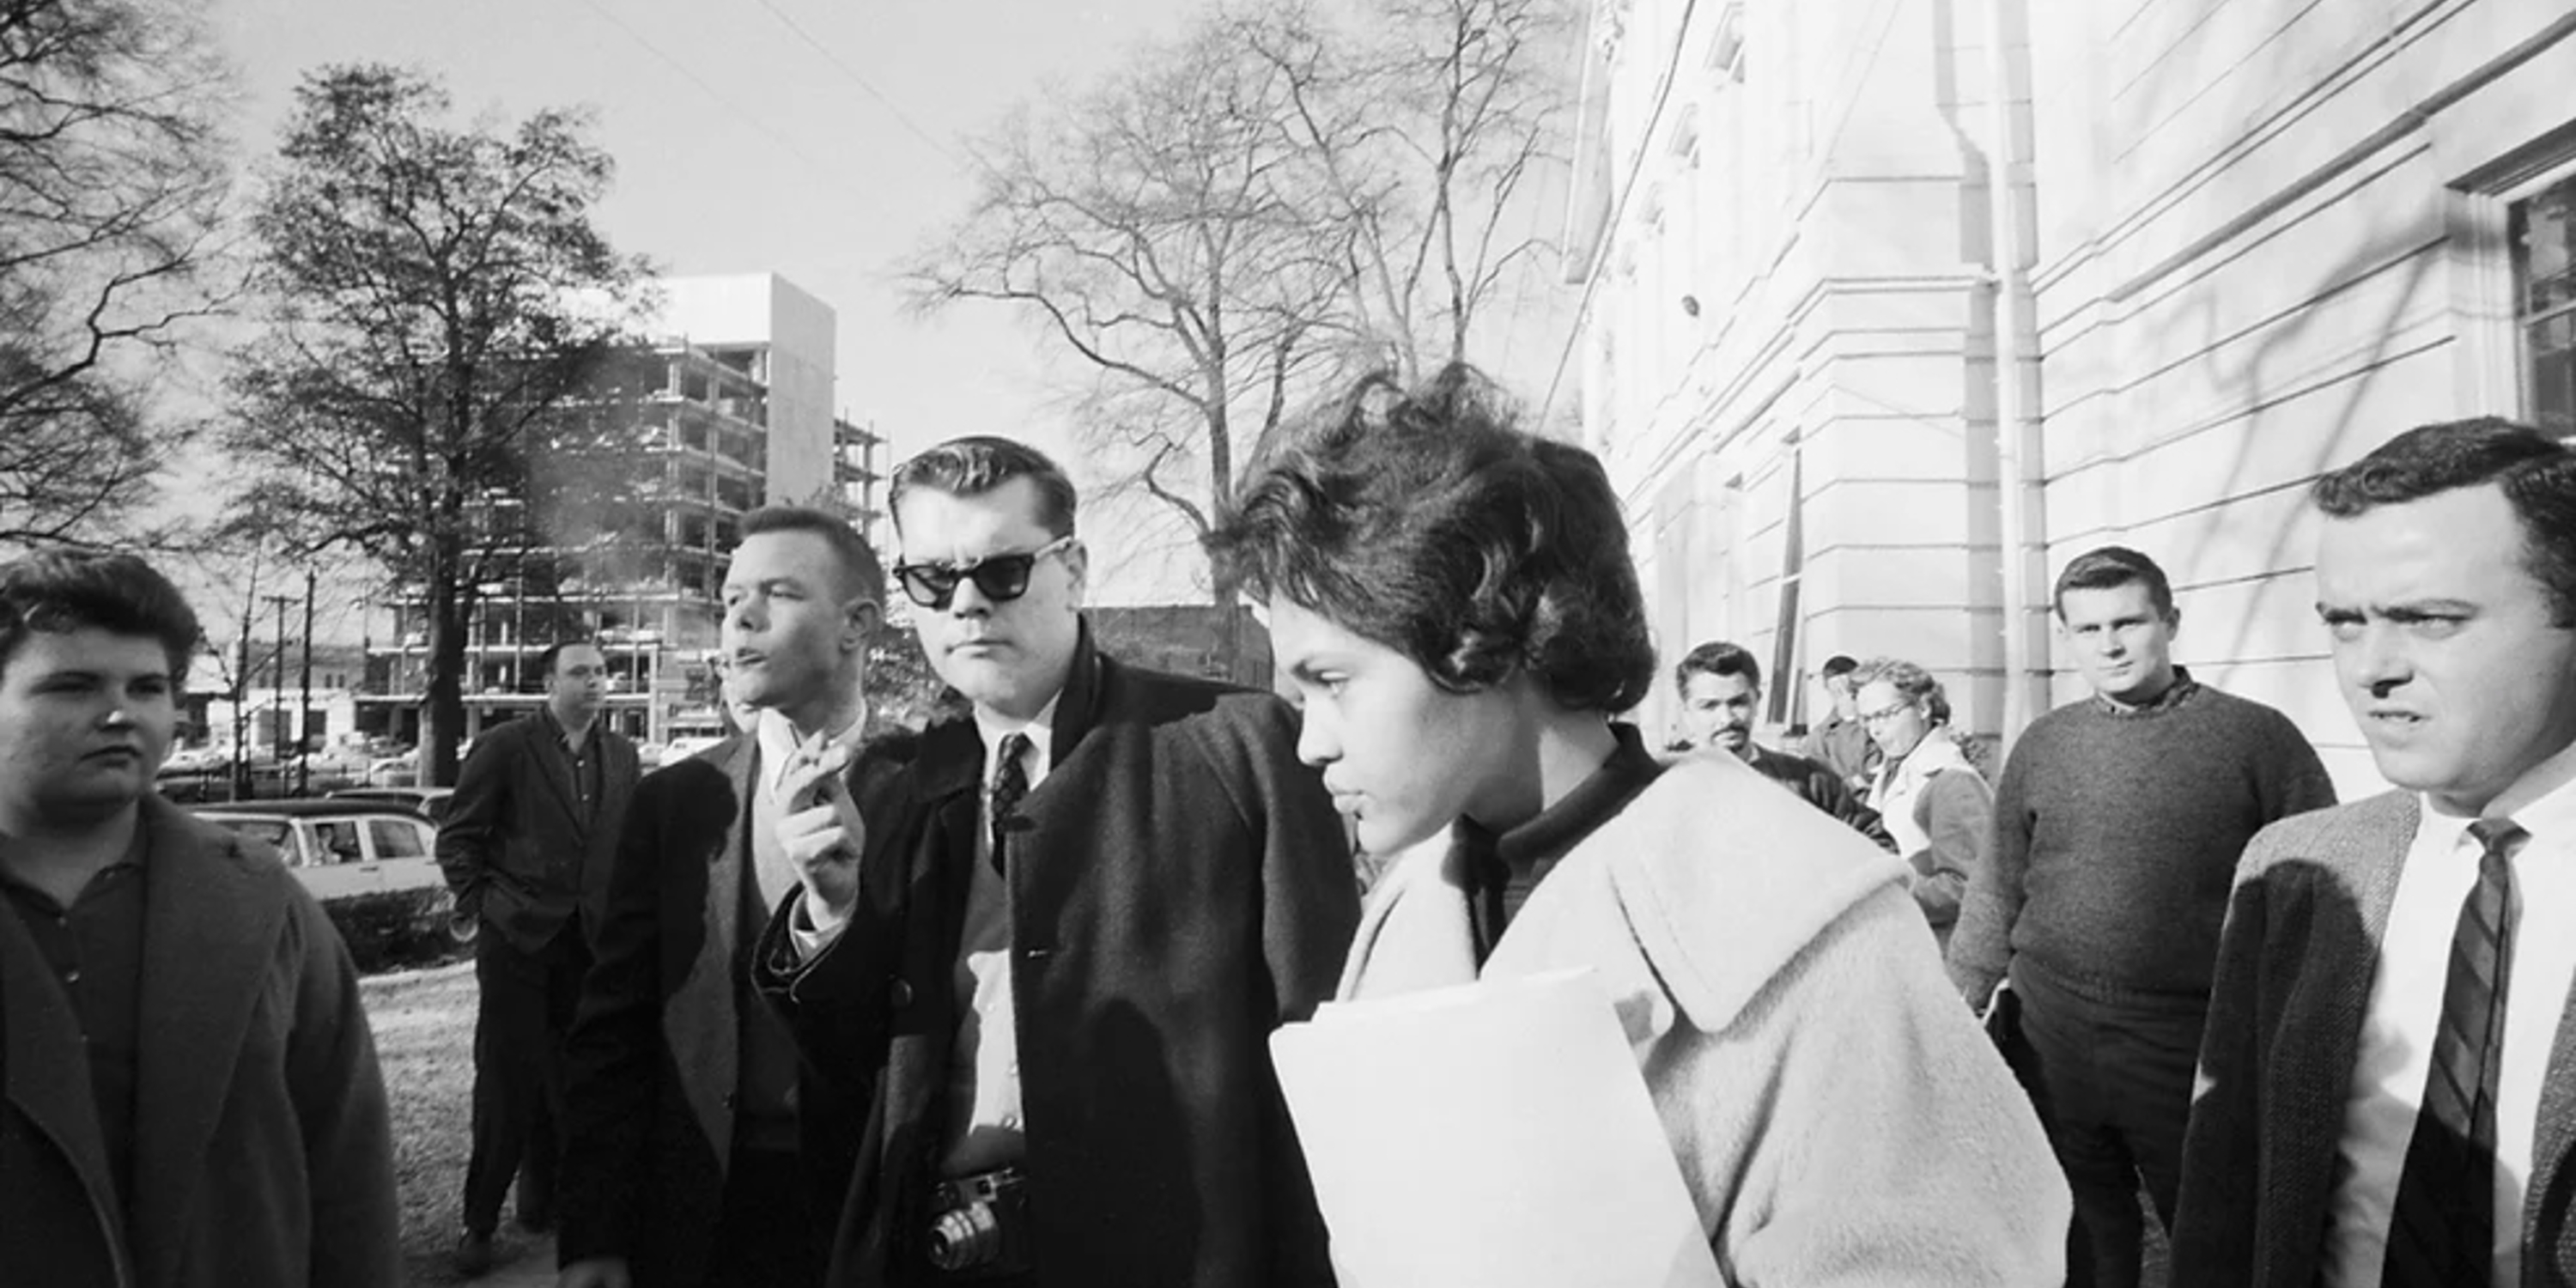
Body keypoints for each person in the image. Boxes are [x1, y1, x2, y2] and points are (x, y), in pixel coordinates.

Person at [1208, 364, 2066, 1283]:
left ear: (1478, 635)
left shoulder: (1810, 926)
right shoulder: (1410, 909)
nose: (1307, 744)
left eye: (1330, 682)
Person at [751, 437, 1358, 1286]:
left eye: (999, 571)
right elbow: (853, 1077)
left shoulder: (1239, 749)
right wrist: (831, 912)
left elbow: (1324, 1052)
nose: (965, 604)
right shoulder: (887, 786)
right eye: (930, 579)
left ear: (1072, 570)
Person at [2172, 418, 2576, 1285]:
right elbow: (2224, 1193)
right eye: (2345, 623)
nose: (2370, 669)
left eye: (2428, 620)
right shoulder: (2301, 874)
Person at [0, 550, 400, 1287]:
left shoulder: (260, 905)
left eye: (147, 687)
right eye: (73, 686)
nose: (120, 713)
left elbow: (348, 1168)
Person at [1947, 546, 2334, 1288]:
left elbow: (2320, 887)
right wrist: (1959, 997)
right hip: (2048, 1027)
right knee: (2077, 1227)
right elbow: (1998, 881)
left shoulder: (2256, 739)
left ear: (2171, 622)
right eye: (2088, 630)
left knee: (2212, 1230)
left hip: (2186, 1038)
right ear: (2067, 638)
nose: (2111, 645)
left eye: (2130, 622)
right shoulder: (2047, 742)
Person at [556, 506, 888, 1288]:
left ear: (857, 625)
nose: (740, 614)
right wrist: (594, 1233)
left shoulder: (941, 788)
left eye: (777, 592)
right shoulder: (676, 802)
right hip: (703, 1215)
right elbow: (615, 1028)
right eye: (733, 594)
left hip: (872, 1212)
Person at [439, 640, 641, 1274]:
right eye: (580, 673)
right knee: (506, 1080)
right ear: (548, 683)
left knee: (579, 1081)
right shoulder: (506, 746)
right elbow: (458, 837)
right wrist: (485, 907)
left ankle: (546, 1202)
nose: (595, 683)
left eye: (602, 673)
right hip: (518, 940)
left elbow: (627, 846)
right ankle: (478, 1222)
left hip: (590, 941)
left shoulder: (622, 754)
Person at [1673, 640, 1893, 848]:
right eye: (1709, 706)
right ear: (1686, 713)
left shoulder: (1809, 782)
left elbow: (1878, 846)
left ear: (1757, 701)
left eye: (1738, 702)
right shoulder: (1662, 792)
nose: (1727, 718)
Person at [1854, 656, 1992, 949]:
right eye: (1867, 719)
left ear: (1924, 707)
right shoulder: (1893, 769)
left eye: (1887, 714)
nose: (1875, 730)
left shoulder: (1950, 781)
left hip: (1942, 952)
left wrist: (1884, 894)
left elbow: (1970, 887)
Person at [1800, 653, 1877, 799]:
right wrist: (1854, 783)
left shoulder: (1879, 721)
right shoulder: (1820, 736)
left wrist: (1856, 720)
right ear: (1828, 688)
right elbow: (1818, 790)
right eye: (1838, 690)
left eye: (1852, 689)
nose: (1845, 694)